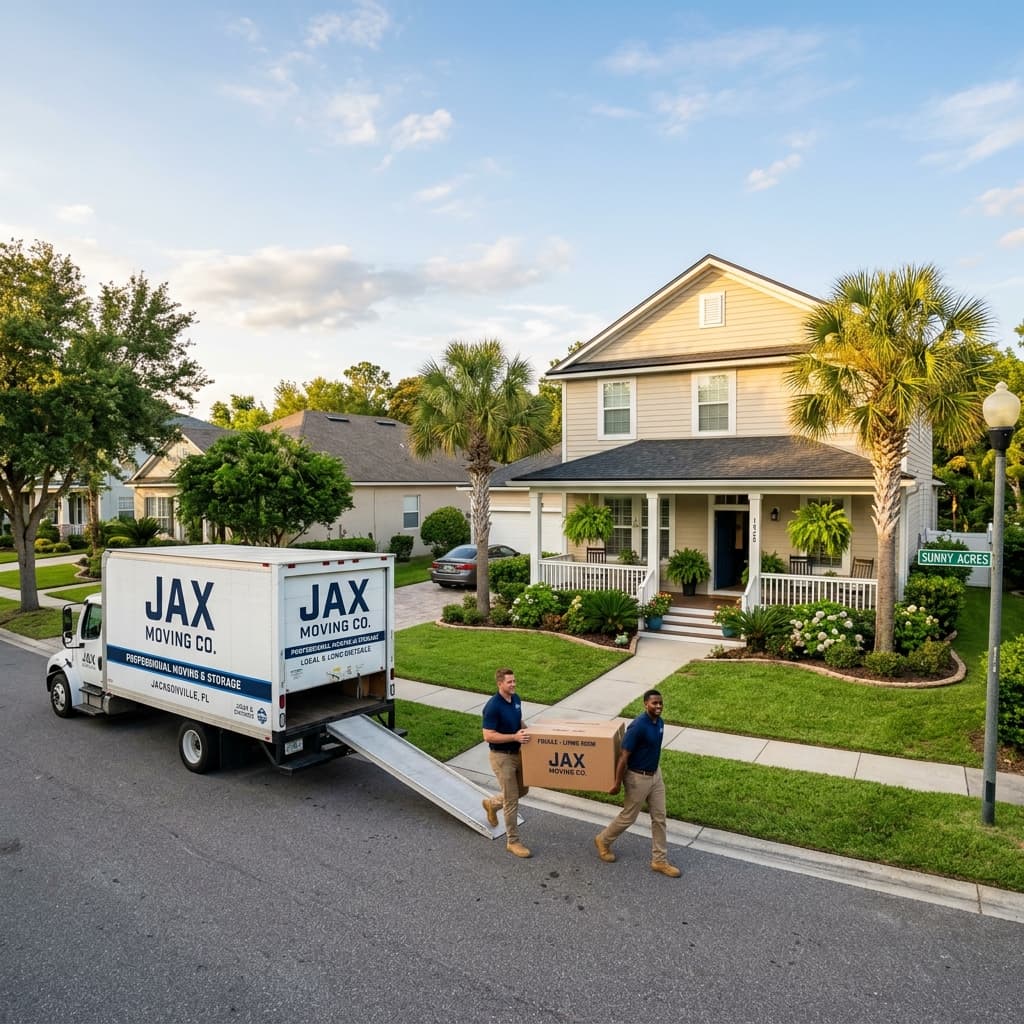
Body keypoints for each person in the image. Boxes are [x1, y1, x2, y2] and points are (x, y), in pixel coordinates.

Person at [594, 688, 681, 877]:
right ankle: (603, 840)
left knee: (659, 817)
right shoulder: (638, 726)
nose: (658, 706)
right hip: (637, 778)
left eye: (660, 703)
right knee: (629, 816)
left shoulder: (659, 722)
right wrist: (617, 783)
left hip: (655, 776)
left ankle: (659, 860)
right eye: (654, 703)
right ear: (645, 704)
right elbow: (623, 757)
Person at [481, 667, 532, 858]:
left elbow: (518, 721)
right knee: (511, 800)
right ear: (499, 684)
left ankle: (492, 804)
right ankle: (513, 842)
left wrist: (530, 732)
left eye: (514, 681)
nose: (513, 684)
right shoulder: (493, 706)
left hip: (517, 752)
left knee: (523, 790)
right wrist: (514, 737)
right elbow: (488, 736)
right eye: (509, 682)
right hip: (502, 757)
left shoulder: (516, 699)